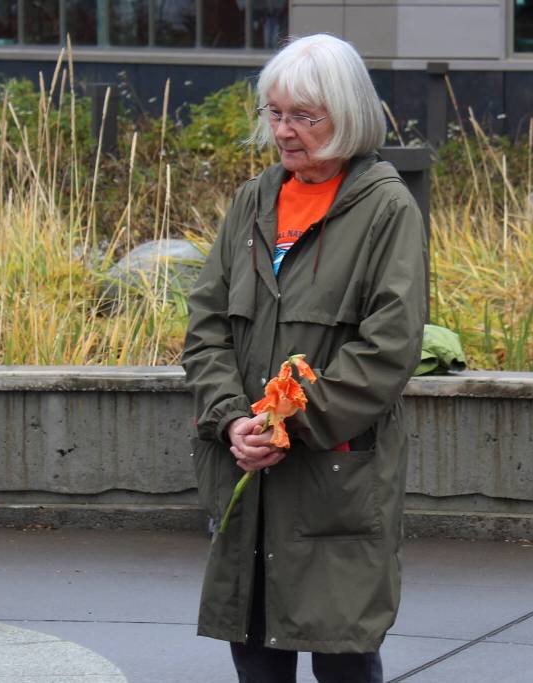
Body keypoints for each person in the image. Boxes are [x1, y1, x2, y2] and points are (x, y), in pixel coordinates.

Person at [182, 33, 427, 683]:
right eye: (275, 113)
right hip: (250, 481)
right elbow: (205, 327)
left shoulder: (385, 209)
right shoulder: (254, 202)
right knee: (257, 659)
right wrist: (234, 418)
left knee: (345, 661)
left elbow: (388, 348)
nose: (284, 132)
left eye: (303, 116)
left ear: (345, 114)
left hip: (334, 489)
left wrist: (288, 423)